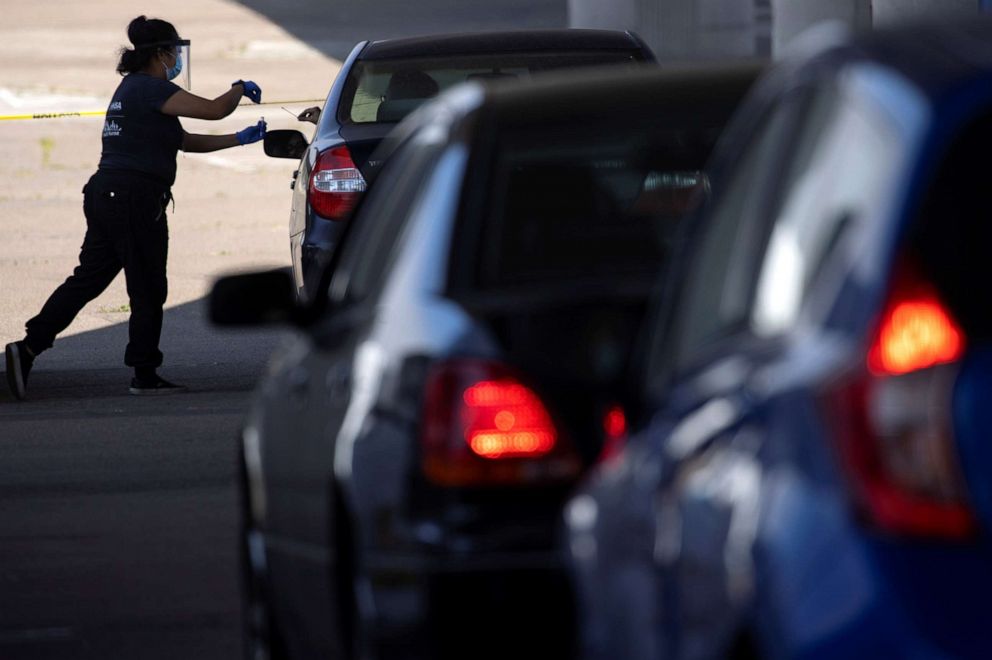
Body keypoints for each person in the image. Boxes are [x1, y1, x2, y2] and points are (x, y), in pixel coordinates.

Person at [4, 15, 267, 400]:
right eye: (174, 52)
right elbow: (213, 109)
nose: (177, 59)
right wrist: (239, 87)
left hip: (108, 194)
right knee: (147, 289)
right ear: (160, 54)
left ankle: (27, 349)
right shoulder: (149, 89)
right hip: (133, 199)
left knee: (88, 281)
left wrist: (240, 139)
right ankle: (144, 374)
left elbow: (184, 141)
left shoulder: (133, 90)